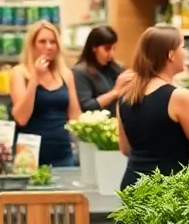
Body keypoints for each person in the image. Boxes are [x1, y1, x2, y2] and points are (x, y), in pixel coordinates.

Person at [117, 25, 189, 189]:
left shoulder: (126, 95)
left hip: (132, 185)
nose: (186, 53)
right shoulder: (178, 97)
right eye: (183, 47)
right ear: (170, 54)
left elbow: (126, 149)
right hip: (166, 192)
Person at [10, 20, 81, 167]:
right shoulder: (19, 73)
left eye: (52, 42)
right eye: (42, 41)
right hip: (29, 155)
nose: (48, 47)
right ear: (32, 45)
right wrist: (35, 77)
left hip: (62, 153)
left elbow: (75, 115)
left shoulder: (66, 74)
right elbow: (21, 117)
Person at [71, 25, 132, 115]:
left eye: (114, 49)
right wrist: (115, 92)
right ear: (94, 47)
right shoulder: (79, 72)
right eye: (107, 49)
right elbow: (86, 106)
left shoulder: (117, 67)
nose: (111, 54)